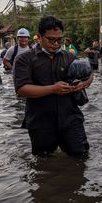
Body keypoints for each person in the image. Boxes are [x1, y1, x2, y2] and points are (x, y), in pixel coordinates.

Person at [13, 15, 93, 156]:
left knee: (81, 157)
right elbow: (21, 89)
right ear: (39, 37)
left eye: (59, 40)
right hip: (40, 120)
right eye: (51, 40)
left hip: (71, 117)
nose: (56, 44)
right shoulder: (25, 59)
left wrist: (82, 84)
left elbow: (89, 75)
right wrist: (53, 89)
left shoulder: (68, 56)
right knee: (43, 164)